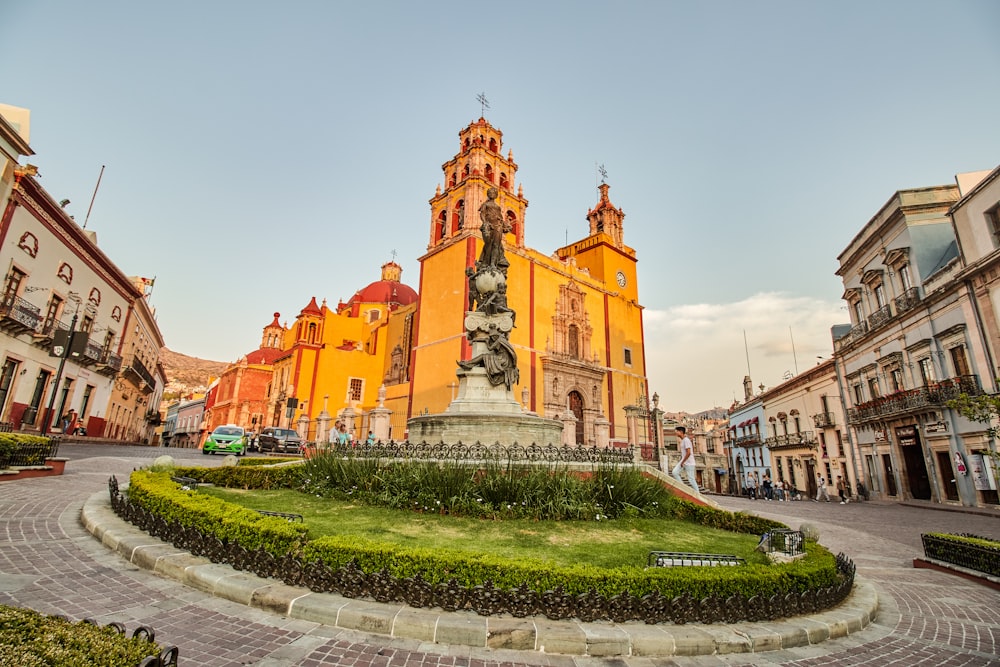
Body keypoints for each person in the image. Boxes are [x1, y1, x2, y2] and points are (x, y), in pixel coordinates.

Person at [671, 426, 699, 493]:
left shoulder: (686, 440)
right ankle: (683, 488)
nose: (676, 433)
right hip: (684, 461)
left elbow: (688, 452)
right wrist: (682, 461)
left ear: (681, 432)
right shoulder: (683, 440)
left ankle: (698, 494)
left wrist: (683, 461)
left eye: (676, 431)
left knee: (691, 479)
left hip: (689, 462)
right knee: (674, 472)